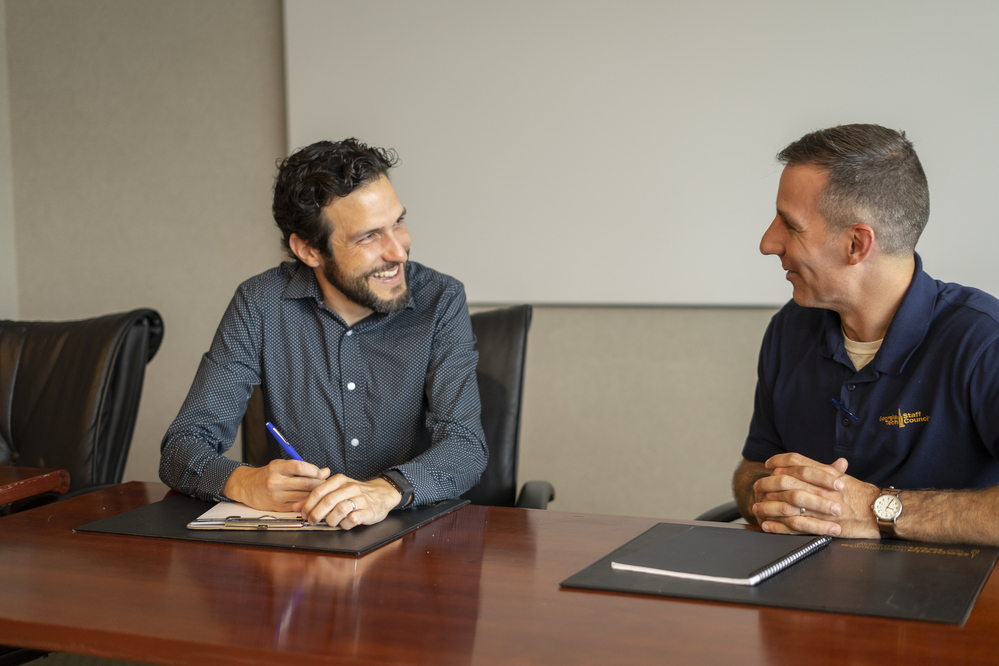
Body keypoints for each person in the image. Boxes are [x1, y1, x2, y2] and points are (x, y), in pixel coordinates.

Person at [160, 139, 487, 529]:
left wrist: (385, 491)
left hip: (412, 540)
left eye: (397, 222)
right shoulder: (261, 303)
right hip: (301, 545)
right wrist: (242, 480)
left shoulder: (441, 300)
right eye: (368, 236)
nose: (398, 251)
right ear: (309, 251)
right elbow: (181, 446)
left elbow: (465, 445)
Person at [733, 124, 999, 546]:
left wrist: (876, 508)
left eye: (790, 225)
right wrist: (771, 497)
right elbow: (751, 470)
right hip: (805, 592)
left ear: (857, 244)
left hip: (945, 597)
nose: (768, 243)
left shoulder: (983, 340)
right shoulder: (791, 327)